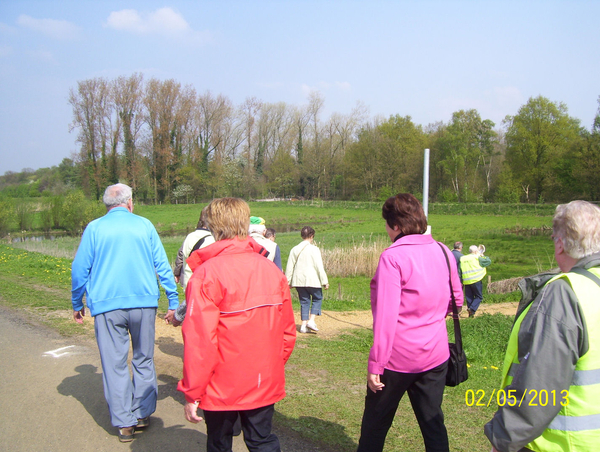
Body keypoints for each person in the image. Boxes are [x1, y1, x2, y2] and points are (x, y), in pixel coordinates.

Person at [177, 197, 296, 452]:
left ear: (213, 226)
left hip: (221, 382)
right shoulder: (271, 270)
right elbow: (287, 332)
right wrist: (271, 366)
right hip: (263, 376)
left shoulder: (206, 274)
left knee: (220, 442)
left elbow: (200, 341)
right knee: (262, 440)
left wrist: (193, 392)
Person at [485, 200, 600, 452]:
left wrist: (505, 438)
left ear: (560, 244)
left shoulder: (565, 293)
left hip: (562, 442)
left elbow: (541, 381)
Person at [71, 183, 179, 442]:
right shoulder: (144, 225)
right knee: (143, 358)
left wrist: (77, 302)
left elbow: (79, 270)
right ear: (130, 203)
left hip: (107, 306)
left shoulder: (95, 228)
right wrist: (172, 299)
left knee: (114, 363)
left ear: (107, 205)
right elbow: (162, 265)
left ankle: (124, 424)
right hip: (143, 303)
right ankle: (142, 413)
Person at [356, 193, 463, 452]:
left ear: (396, 226)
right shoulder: (443, 251)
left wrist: (376, 364)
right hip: (435, 355)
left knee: (375, 426)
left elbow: (386, 317)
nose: (386, 230)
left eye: (387, 224)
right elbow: (456, 300)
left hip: (396, 359)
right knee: (433, 424)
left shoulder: (392, 257)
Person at [171, 206, 215, 326]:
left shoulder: (190, 236)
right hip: (201, 285)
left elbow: (180, 254)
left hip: (188, 281)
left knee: (191, 315)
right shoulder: (211, 240)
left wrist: (177, 272)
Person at [285, 226, 329, 333]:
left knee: (304, 301)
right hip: (312, 279)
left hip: (298, 280)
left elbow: (289, 267)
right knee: (317, 298)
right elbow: (319, 266)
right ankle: (311, 320)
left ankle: (303, 326)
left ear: (301, 236)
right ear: (312, 236)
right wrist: (325, 281)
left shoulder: (294, 249)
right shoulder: (314, 249)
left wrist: (288, 281)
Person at [460, 244, 491, 317]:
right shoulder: (477, 257)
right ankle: (472, 309)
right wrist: (481, 255)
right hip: (476, 279)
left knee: (469, 297)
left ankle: (471, 314)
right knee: (478, 296)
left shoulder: (463, 258)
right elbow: (488, 261)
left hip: (466, 280)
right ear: (476, 251)